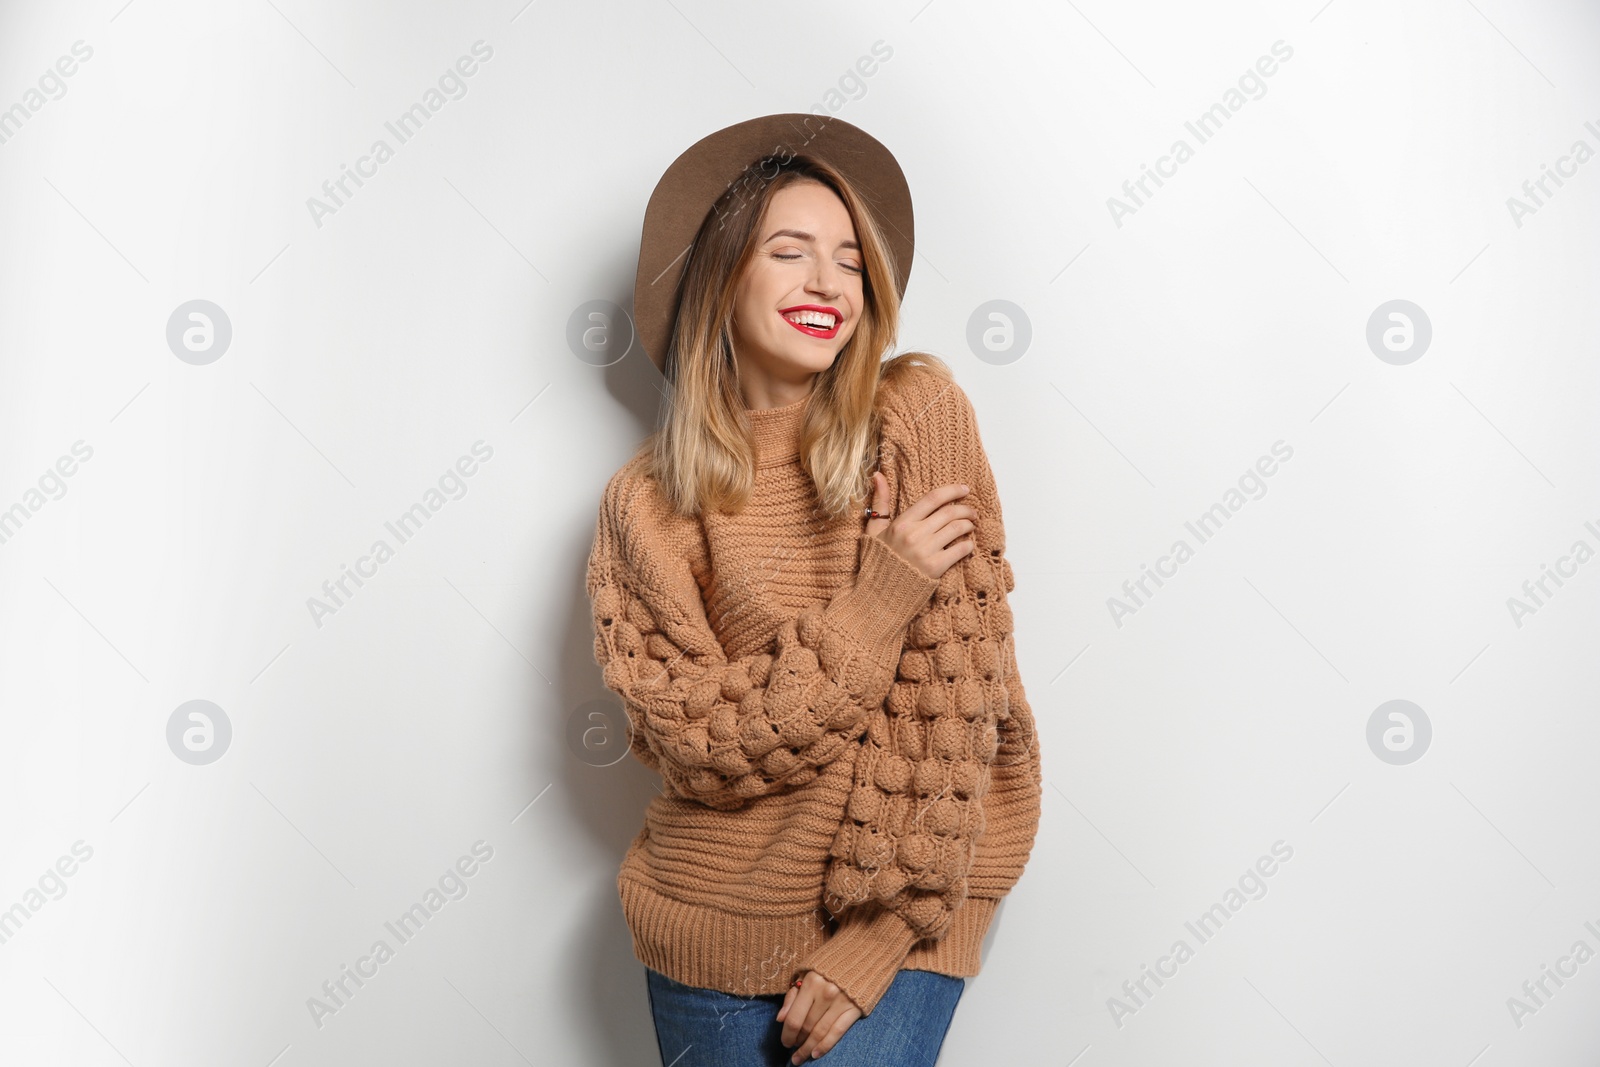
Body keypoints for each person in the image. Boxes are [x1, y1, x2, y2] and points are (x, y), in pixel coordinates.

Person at [585, 113, 1042, 1066]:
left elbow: (960, 709)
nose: (828, 283)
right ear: (721, 281)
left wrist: (871, 946)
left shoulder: (915, 414)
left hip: (899, 922)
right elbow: (701, 746)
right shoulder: (647, 505)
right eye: (789, 252)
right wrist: (881, 598)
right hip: (704, 926)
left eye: (848, 260)